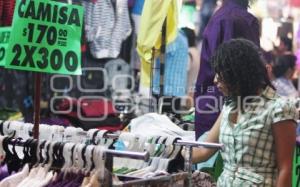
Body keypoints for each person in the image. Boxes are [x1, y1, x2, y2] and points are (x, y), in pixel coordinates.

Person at [192, 39, 297, 186]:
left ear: (238, 73)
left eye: (220, 74)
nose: (215, 80)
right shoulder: (229, 106)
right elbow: (204, 152)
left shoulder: (279, 108)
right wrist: (168, 152)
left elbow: (285, 169)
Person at [194, 0, 260, 139]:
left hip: (215, 105)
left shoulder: (224, 17)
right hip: (226, 106)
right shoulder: (235, 19)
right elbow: (232, 70)